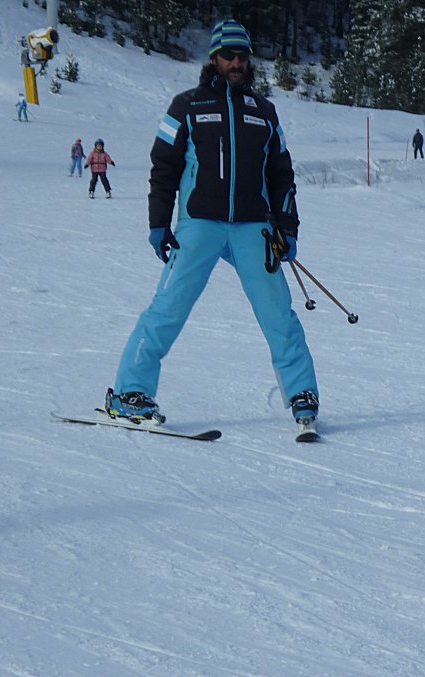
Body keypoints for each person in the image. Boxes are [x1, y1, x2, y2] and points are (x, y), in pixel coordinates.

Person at [104, 19, 319, 429]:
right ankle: (131, 392)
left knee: (279, 313)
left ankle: (302, 395)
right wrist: (158, 223)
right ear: (214, 59)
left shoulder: (264, 111)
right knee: (167, 309)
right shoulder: (186, 106)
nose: (236, 63)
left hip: (253, 228)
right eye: (228, 56)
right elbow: (163, 167)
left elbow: (281, 174)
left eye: (242, 56)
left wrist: (287, 227)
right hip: (199, 225)